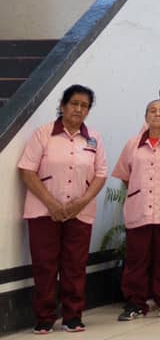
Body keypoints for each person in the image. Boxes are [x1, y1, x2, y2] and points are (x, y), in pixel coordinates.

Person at [19, 85, 108, 333]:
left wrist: (82, 201)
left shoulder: (94, 138)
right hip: (42, 212)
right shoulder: (43, 134)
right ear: (63, 105)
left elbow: (101, 174)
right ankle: (45, 317)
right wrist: (52, 203)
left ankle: (72, 316)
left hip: (80, 212)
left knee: (75, 265)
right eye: (74, 103)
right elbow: (27, 170)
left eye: (84, 105)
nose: (79, 109)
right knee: (45, 265)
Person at [113, 100, 160, 321]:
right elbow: (126, 176)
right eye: (153, 111)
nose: (157, 114)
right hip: (139, 210)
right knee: (137, 259)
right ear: (145, 116)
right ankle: (135, 303)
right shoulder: (133, 144)